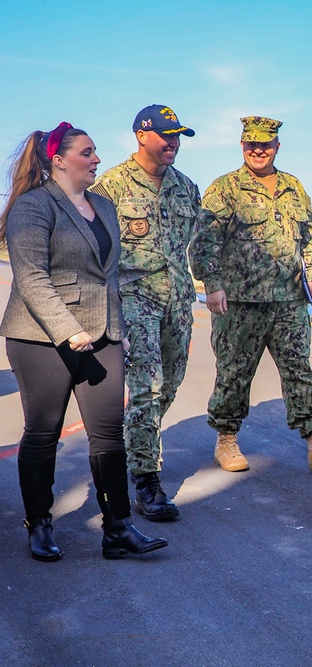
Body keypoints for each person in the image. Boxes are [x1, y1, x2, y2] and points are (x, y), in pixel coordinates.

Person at [0, 122, 168, 560]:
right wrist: (68, 329)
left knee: (109, 434)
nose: (96, 159)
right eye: (87, 152)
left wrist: (120, 332)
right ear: (58, 160)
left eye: (96, 152)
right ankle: (39, 523)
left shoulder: (104, 206)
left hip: (104, 334)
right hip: (40, 337)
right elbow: (32, 278)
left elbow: (107, 277)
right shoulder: (33, 207)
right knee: (43, 432)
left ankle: (118, 529)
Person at [188, 116, 312, 473]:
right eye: (251, 144)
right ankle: (226, 438)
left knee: (299, 370)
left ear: (277, 147)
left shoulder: (293, 187)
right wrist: (213, 285)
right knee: (235, 373)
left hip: (288, 300)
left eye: (265, 144)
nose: (258, 150)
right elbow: (203, 241)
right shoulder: (225, 189)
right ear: (241, 146)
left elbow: (310, 236)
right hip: (239, 303)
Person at [90, 104, 200, 521]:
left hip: (178, 300)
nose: (173, 143)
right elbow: (95, 248)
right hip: (135, 299)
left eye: (177, 136)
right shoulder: (112, 186)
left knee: (168, 384)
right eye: (165, 135)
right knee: (147, 387)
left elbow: (199, 243)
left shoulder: (187, 188)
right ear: (141, 135)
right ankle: (146, 479)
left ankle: (130, 443)